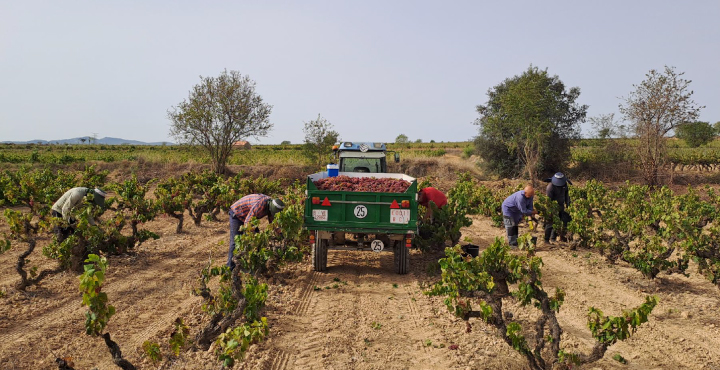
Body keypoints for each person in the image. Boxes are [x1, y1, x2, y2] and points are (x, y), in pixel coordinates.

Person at [227, 194, 285, 270]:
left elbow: (273, 222)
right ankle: (230, 268)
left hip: (249, 217)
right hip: (237, 214)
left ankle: (255, 266)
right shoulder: (260, 205)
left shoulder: (272, 206)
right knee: (235, 242)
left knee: (258, 242)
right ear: (270, 207)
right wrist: (252, 236)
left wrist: (280, 234)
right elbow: (248, 223)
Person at [543, 172, 572, 243]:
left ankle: (553, 238)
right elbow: (548, 200)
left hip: (561, 206)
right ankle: (546, 240)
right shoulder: (550, 187)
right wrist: (550, 210)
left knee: (558, 222)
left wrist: (568, 205)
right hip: (552, 207)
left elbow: (566, 196)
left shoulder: (565, 185)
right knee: (550, 223)